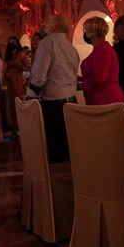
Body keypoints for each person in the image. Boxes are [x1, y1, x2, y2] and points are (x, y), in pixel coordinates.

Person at [27, 15, 80, 164]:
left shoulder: (47, 43)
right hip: (72, 100)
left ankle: (55, 184)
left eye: (47, 22)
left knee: (55, 150)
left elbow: (39, 76)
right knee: (68, 148)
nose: (45, 24)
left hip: (54, 104)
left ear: (53, 27)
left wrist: (29, 96)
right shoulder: (71, 47)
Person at [80, 16, 123, 105]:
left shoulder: (103, 49)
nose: (84, 33)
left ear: (94, 33)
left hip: (105, 97)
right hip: (101, 96)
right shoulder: (99, 48)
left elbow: (100, 77)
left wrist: (82, 85)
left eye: (86, 30)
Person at [4, 36, 26, 137]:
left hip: (18, 81)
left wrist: (14, 63)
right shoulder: (7, 55)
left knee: (20, 103)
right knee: (11, 106)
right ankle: (13, 130)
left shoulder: (21, 54)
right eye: (10, 42)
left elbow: (23, 67)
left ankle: (22, 128)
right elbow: (4, 69)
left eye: (14, 42)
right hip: (10, 82)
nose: (12, 44)